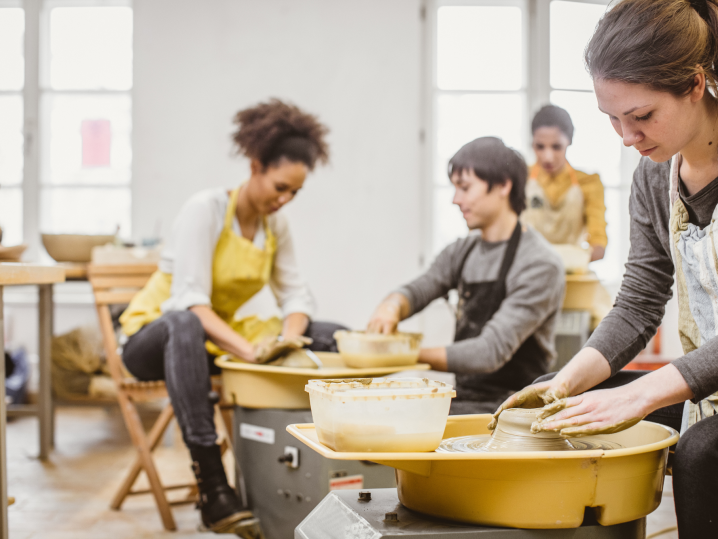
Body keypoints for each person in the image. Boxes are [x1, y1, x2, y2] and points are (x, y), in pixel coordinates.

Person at [488, 1, 718, 536]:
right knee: (559, 399)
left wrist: (644, 392)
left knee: (702, 451)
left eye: (640, 116)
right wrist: (568, 381)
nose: (626, 136)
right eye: (611, 118)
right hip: (707, 383)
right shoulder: (652, 179)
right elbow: (640, 300)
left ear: (694, 84)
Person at [118, 99, 345, 532]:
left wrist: (289, 339)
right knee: (183, 324)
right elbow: (190, 302)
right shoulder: (204, 210)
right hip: (152, 338)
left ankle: (337, 455)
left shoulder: (274, 225)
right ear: (255, 165)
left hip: (204, 343)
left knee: (330, 333)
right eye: (280, 187)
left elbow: (296, 297)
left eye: (295, 192)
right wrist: (251, 352)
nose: (285, 199)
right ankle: (213, 486)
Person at [367, 137, 564, 414]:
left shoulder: (539, 263)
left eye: (465, 188)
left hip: (515, 408)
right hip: (466, 399)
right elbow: (421, 288)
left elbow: (489, 352)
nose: (455, 199)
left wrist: (401, 355)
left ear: (504, 185)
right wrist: (391, 307)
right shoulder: (462, 250)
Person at [522, 105, 608, 262]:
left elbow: (598, 243)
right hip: (527, 269)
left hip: (572, 274)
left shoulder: (589, 183)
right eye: (540, 147)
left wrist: (574, 259)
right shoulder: (520, 178)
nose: (548, 157)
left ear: (569, 142)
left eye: (556, 147)